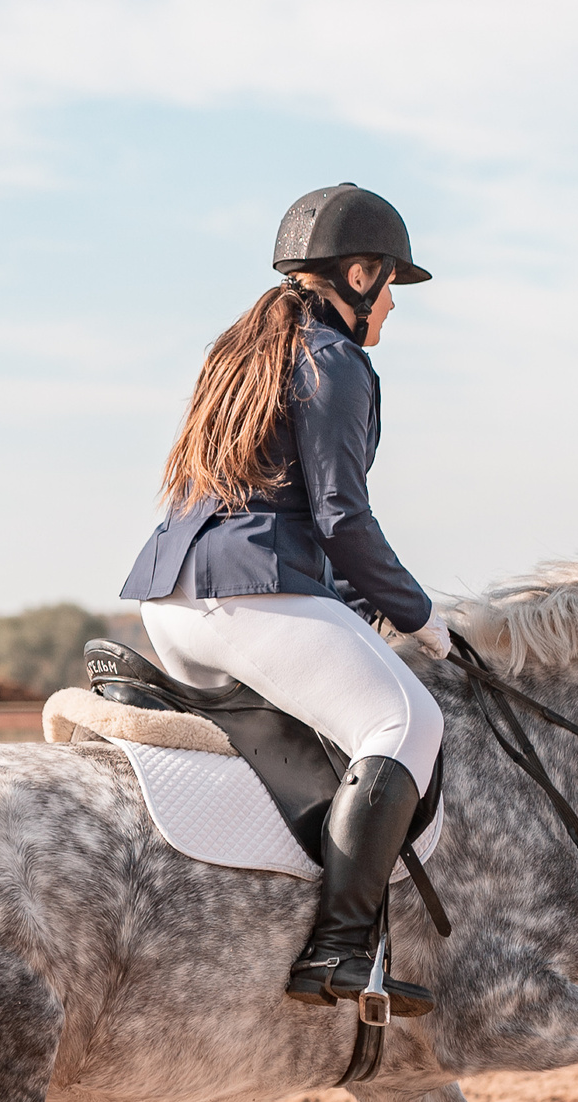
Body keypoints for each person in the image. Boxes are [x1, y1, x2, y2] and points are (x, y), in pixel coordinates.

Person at [120, 184, 450, 1015]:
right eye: (390, 290)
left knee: (324, 726)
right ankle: (339, 948)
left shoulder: (242, 350)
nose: (391, 312)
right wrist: (416, 613)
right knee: (407, 723)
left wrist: (348, 603)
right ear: (361, 274)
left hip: (170, 594)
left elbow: (277, 501)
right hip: (249, 591)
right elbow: (342, 516)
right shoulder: (336, 361)